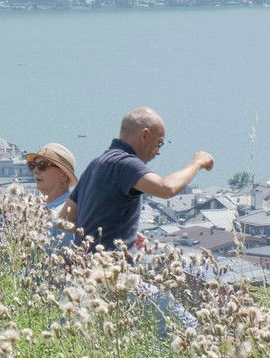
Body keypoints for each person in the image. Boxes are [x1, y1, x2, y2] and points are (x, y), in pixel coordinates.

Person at [62, 107, 214, 254]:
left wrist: (109, 235)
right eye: (159, 143)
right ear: (145, 135)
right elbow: (166, 188)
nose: (158, 151)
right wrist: (197, 162)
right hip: (110, 271)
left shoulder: (95, 164)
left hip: (84, 268)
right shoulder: (126, 163)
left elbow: (64, 219)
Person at [24, 143, 77, 248]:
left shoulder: (65, 214)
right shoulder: (52, 210)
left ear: (63, 175)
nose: (35, 171)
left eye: (42, 165)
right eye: (32, 166)